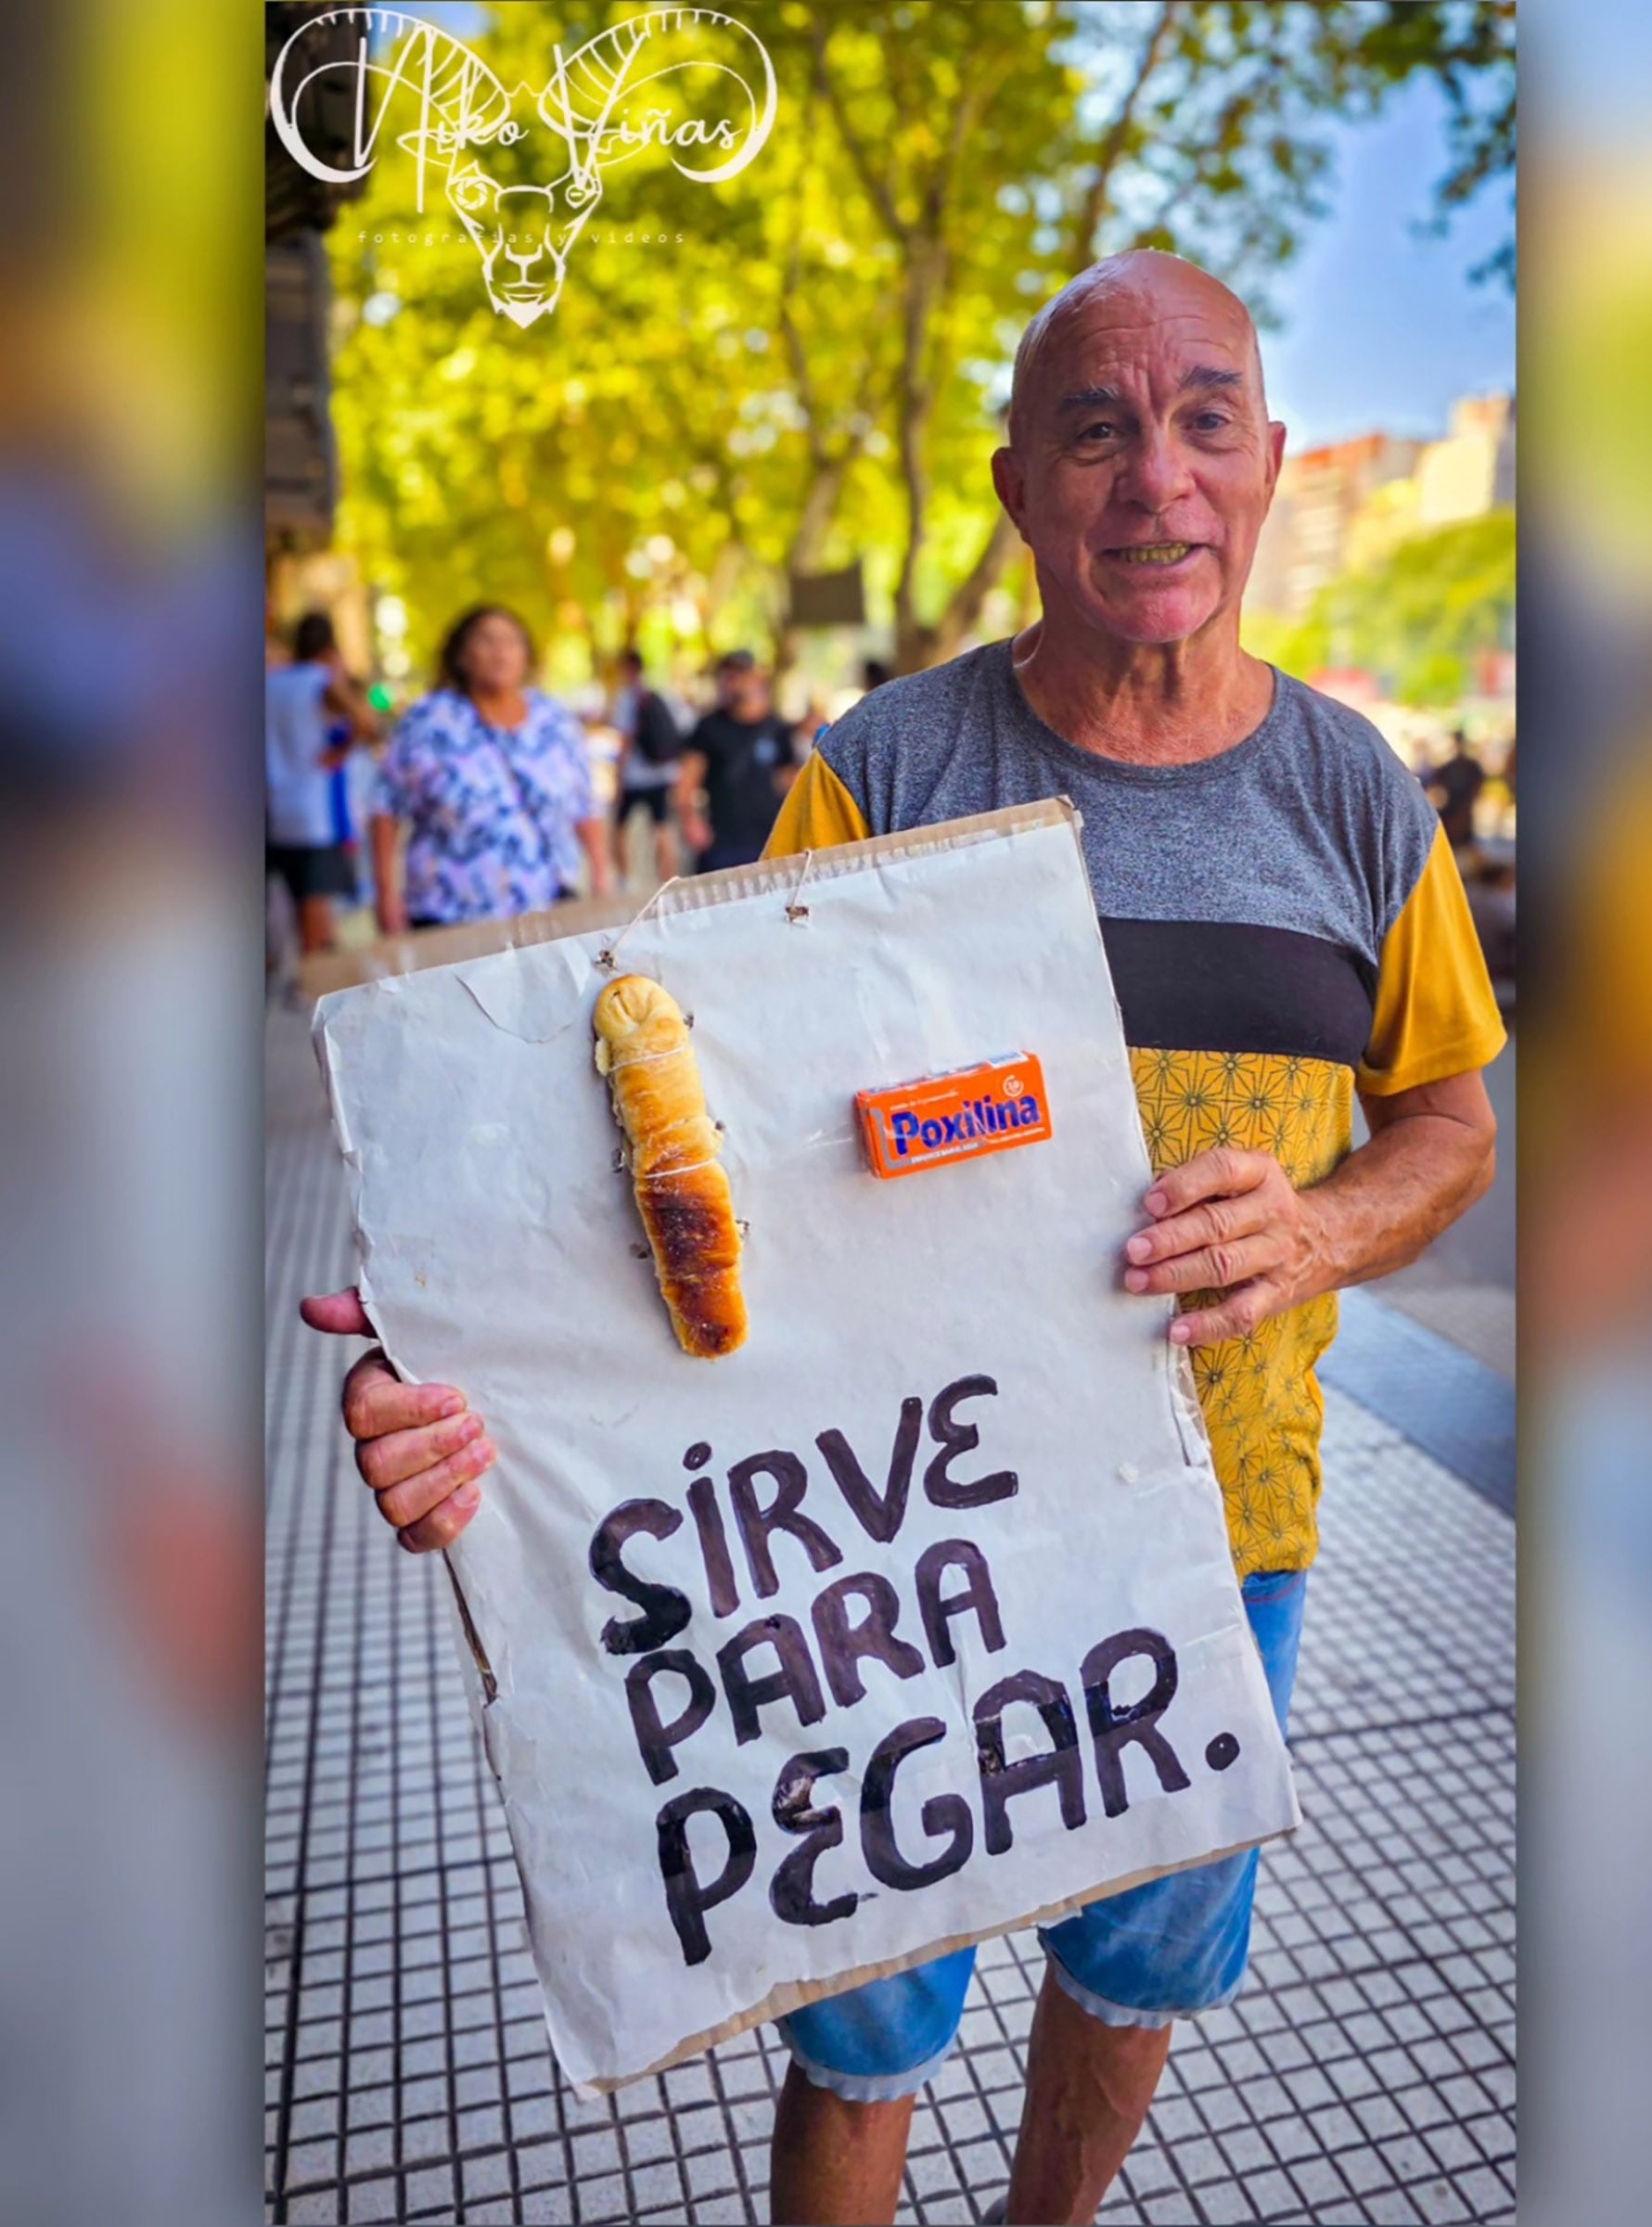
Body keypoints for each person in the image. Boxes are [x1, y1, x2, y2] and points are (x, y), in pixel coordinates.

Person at [303, 251, 1504, 2225]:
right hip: (889, 1555)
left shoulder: (1359, 793)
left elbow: (1449, 1122)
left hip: (1231, 1533)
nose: (1158, 479)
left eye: (1206, 420)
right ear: (1020, 481)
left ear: (1271, 463)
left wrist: (1328, 1225)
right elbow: (692, 1147)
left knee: (1133, 1980)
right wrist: (457, 1346)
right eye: (1097, 430)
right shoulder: (885, 774)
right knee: (861, 2031)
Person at [370, 603, 610, 934]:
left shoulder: (553, 720)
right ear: (462, 655)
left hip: (547, 908)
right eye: (486, 641)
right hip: (449, 915)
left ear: (526, 655)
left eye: (511, 642)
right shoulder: (429, 720)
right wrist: (385, 895)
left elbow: (584, 803)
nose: (500, 652)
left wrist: (601, 874)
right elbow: (386, 805)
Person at [265, 611, 379, 954]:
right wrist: (341, 751)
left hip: (272, 808)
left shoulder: (270, 682)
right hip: (314, 811)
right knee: (314, 908)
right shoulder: (321, 681)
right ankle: (311, 990)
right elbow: (366, 721)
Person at [675, 647, 797, 871]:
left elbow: (790, 781)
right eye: (729, 676)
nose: (736, 682)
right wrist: (691, 821)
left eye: (742, 674)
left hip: (770, 840)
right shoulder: (708, 729)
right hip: (723, 842)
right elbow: (686, 783)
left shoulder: (778, 729)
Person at [609, 645, 685, 888]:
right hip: (663, 773)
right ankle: (669, 880)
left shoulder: (627, 697)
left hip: (634, 777)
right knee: (662, 828)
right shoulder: (663, 692)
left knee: (620, 828)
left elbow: (625, 740)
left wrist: (618, 777)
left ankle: (625, 880)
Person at [1427, 726, 1486, 855]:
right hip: (1452, 811)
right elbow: (1435, 787)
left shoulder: (1472, 767)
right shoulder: (1448, 767)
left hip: (1464, 812)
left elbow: (1477, 789)